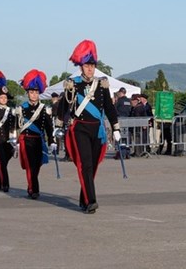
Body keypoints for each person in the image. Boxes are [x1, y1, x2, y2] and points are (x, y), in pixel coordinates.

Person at [56, 39, 121, 214]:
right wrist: (59, 125)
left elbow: (109, 107)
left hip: (97, 129)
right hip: (80, 128)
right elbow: (63, 106)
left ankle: (83, 198)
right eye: (87, 65)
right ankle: (91, 200)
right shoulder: (73, 84)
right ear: (81, 67)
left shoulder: (101, 84)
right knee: (85, 164)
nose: (90, 69)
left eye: (92, 65)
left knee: (93, 164)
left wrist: (115, 128)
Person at [17, 69, 55, 199]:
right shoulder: (22, 108)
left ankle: (31, 185)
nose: (34, 95)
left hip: (39, 140)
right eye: (31, 92)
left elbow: (49, 127)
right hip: (26, 139)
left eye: (36, 92)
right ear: (28, 93)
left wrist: (52, 141)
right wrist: (14, 140)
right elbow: (16, 126)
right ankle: (34, 189)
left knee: (37, 165)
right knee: (30, 165)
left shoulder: (44, 109)